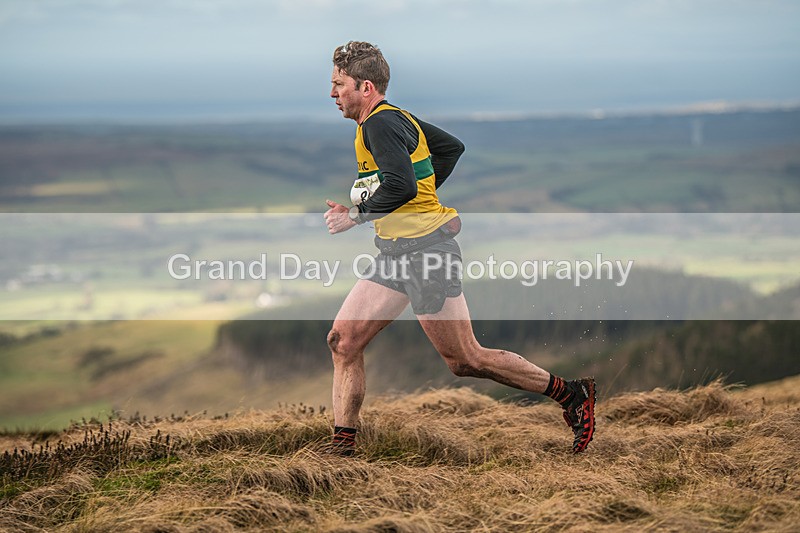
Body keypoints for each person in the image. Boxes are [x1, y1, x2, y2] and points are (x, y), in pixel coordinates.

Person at [323, 41, 595, 455]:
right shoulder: (392, 119)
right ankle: (342, 449)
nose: (332, 93)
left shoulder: (380, 123)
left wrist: (355, 216)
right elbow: (450, 149)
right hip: (396, 253)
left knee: (466, 359)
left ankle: (572, 395)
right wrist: (423, 200)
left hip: (427, 253)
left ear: (365, 86)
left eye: (338, 84)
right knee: (343, 342)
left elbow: (401, 185)